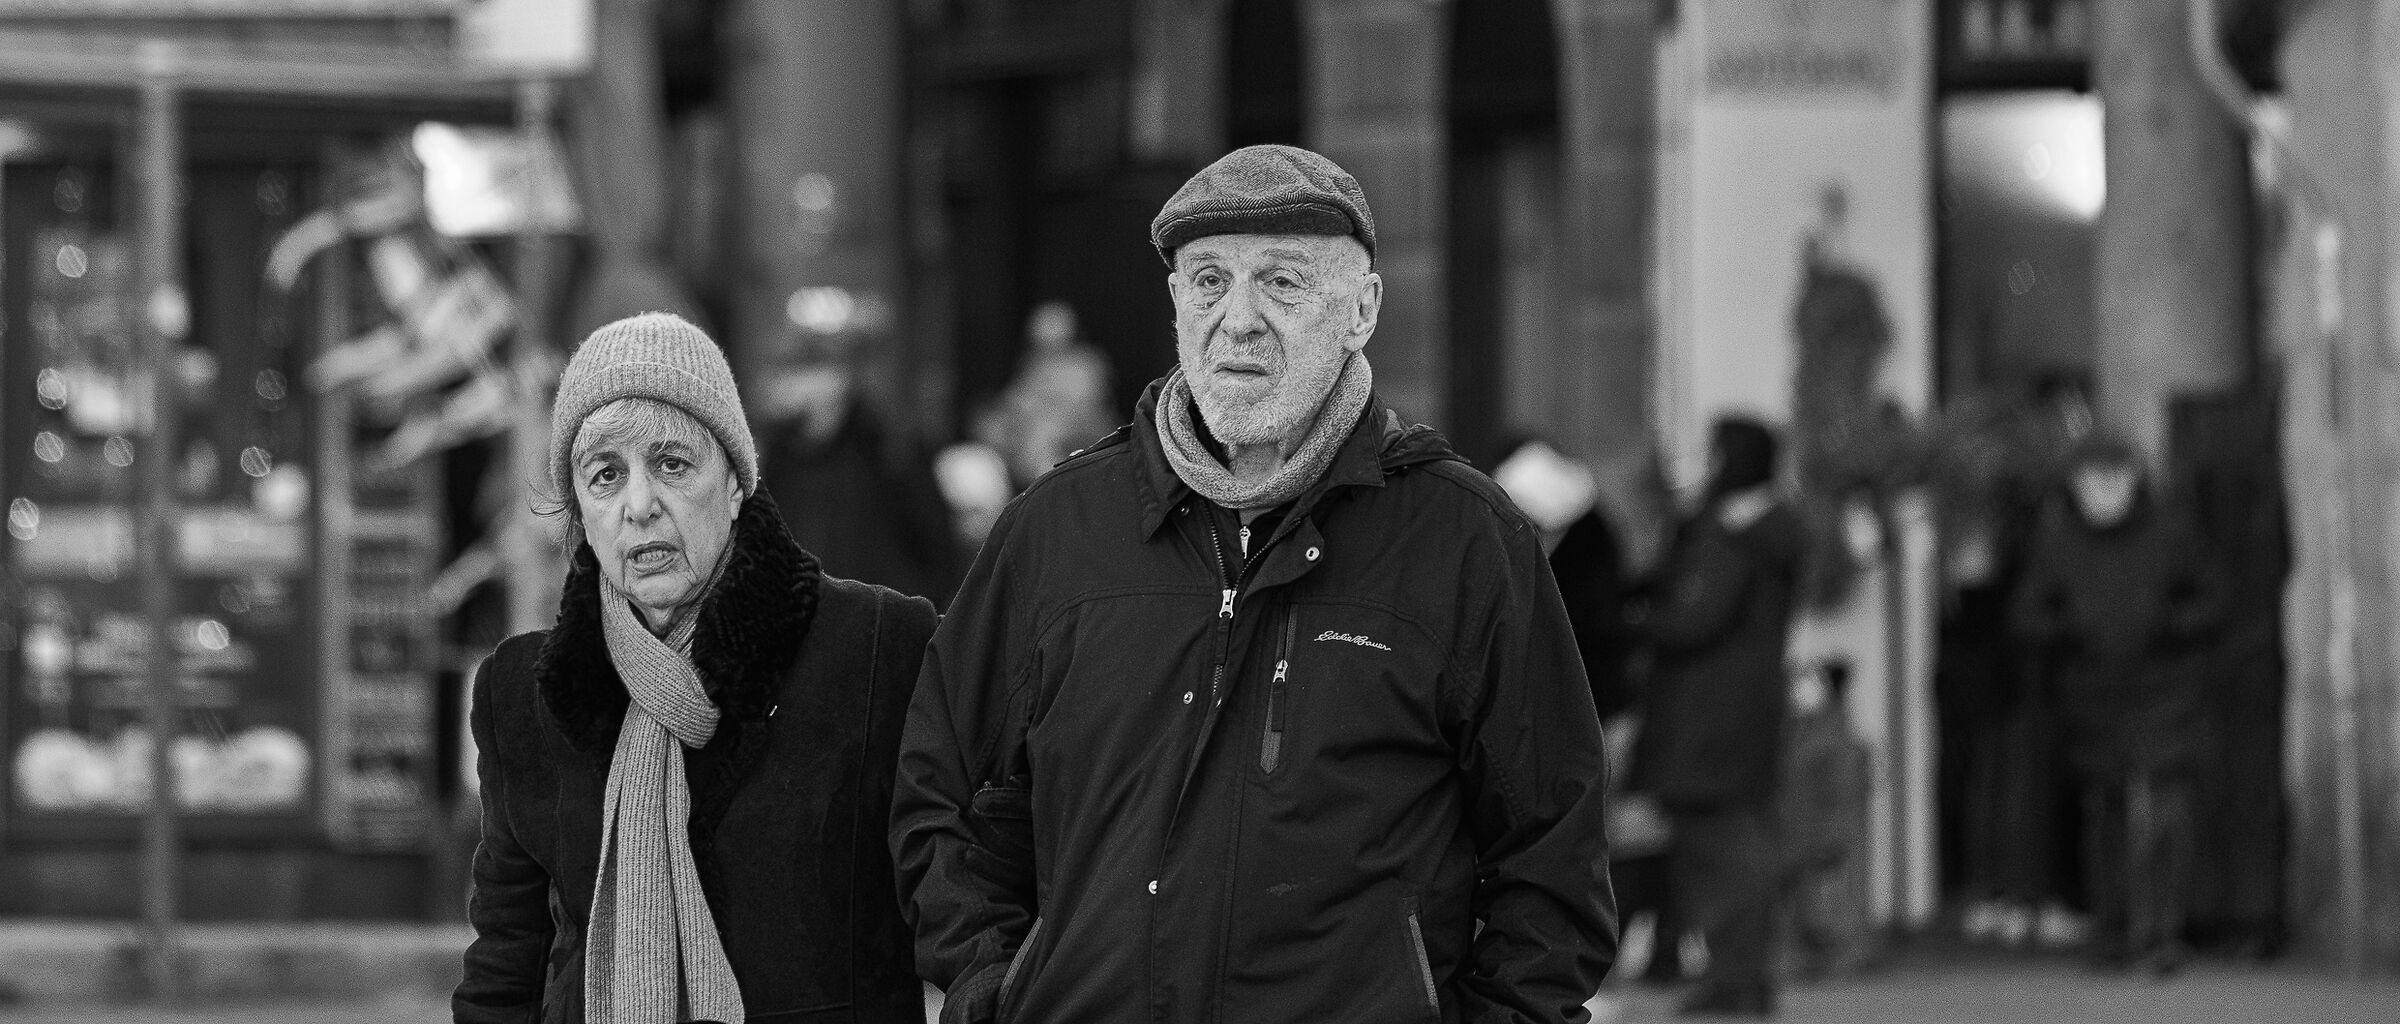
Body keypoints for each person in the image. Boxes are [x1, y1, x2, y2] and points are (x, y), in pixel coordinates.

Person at [892, 145, 1616, 1024]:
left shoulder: (1465, 540)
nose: (1237, 320)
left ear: (1362, 310)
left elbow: (1553, 853)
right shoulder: (1057, 529)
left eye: (1281, 282)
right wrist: (992, 989)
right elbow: (942, 792)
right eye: (1209, 281)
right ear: (1175, 304)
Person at [455, 312, 937, 1023]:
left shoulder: (875, 649)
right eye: (605, 475)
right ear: (579, 509)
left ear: (736, 482)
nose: (639, 505)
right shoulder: (523, 695)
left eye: (672, 465)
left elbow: (963, 901)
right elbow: (507, 963)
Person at [2010, 435, 2223, 975]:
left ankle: (2160, 932)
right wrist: (2070, 630)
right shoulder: (2058, 542)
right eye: (2092, 482)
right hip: (2093, 698)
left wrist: (2168, 627)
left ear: (2133, 480)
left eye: (2114, 479)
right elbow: (2027, 614)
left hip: (2163, 692)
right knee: (2105, 818)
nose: (2103, 493)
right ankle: (2114, 929)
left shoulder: (2171, 533)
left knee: (2163, 811)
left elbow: (2213, 599)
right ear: (2076, 486)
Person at [1630, 415, 1805, 1018]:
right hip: (1735, 715)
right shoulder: (1765, 533)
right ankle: (1739, 973)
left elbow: (1693, 619)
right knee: (1730, 842)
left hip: (1709, 719)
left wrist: (1634, 620)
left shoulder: (1733, 539)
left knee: (1724, 846)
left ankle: (1738, 975)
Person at [757, 328, 965, 606]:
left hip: (881, 617)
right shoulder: (779, 457)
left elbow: (937, 550)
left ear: (836, 378)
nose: (779, 385)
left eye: (795, 372)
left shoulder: (889, 448)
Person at [1776, 658, 1872, 981]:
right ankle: (1806, 955)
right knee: (1800, 902)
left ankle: (1839, 955)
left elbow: (1842, 792)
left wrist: (1834, 832)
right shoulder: (1804, 729)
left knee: (1827, 901)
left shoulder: (1830, 734)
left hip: (1817, 835)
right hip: (1797, 833)